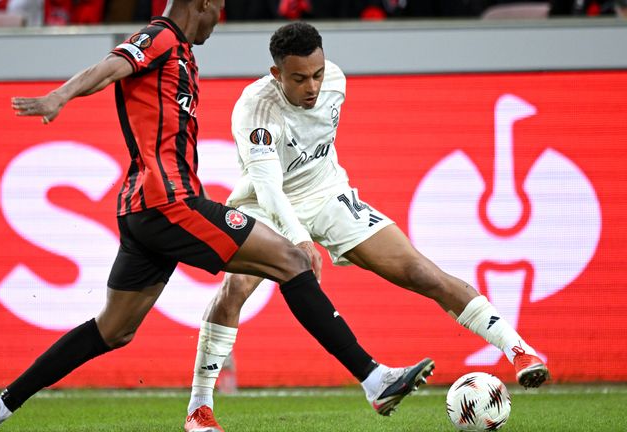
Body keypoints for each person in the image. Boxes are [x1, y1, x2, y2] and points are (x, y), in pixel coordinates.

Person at [0, 2, 433, 431]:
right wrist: (62, 96)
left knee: (113, 329)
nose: (220, 16)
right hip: (170, 203)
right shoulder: (161, 37)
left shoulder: (180, 52)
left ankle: (1, 405)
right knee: (292, 259)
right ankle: (374, 378)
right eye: (218, 6)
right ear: (201, 3)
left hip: (143, 212)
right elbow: (110, 66)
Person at [183, 21, 550, 432]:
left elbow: (320, 144)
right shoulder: (255, 109)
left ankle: (520, 350)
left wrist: (318, 218)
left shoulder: (336, 82)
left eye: (318, 74)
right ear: (276, 75)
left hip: (328, 194)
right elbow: (269, 189)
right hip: (268, 204)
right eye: (300, 78)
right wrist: (301, 240)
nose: (313, 86)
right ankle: (199, 408)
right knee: (235, 289)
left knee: (419, 271)